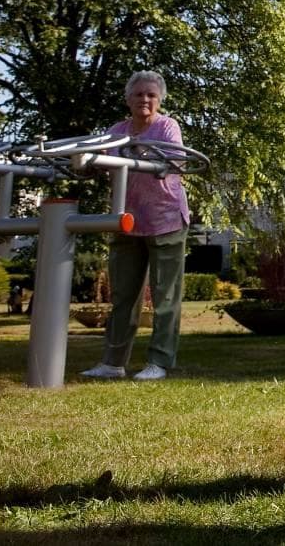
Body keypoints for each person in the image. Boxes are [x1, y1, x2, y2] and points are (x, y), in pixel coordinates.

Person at [80, 69, 190, 382]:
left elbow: (177, 162)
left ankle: (159, 361)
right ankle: (113, 362)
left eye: (151, 95)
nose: (145, 99)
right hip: (126, 219)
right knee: (123, 295)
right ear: (128, 99)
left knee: (164, 295)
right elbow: (99, 165)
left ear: (160, 100)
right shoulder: (117, 131)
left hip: (165, 218)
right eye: (139, 94)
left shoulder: (167, 127)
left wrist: (148, 156)